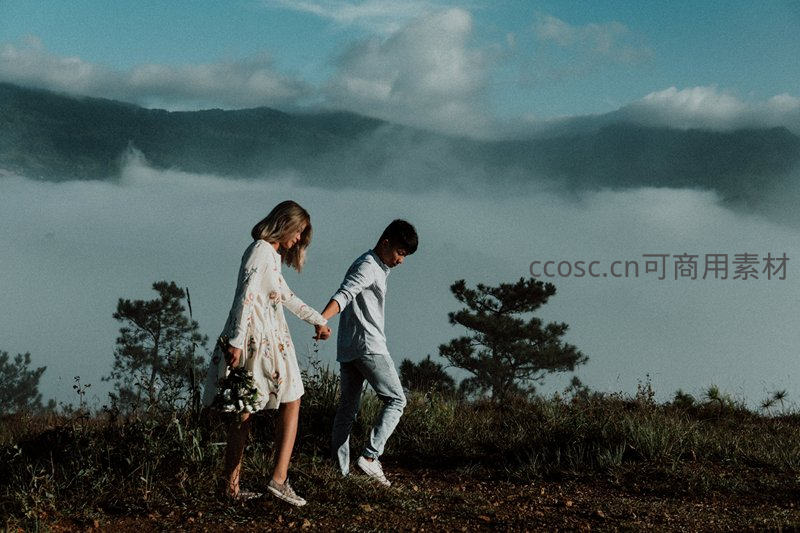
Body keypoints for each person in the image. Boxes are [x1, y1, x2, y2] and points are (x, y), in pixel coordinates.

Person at [202, 200, 332, 506]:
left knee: (248, 409)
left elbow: (285, 295)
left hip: (266, 338)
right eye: (298, 232)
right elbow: (245, 295)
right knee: (285, 400)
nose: (298, 239)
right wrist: (236, 340)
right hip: (257, 339)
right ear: (284, 223)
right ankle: (277, 479)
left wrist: (318, 319)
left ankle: (231, 487)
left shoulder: (269, 254)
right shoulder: (261, 251)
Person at [319, 219, 418, 486]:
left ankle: (340, 474)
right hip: (369, 347)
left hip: (349, 348)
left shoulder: (374, 265)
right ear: (385, 243)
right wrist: (321, 319)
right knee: (397, 400)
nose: (401, 260)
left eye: (405, 256)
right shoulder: (368, 266)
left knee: (347, 410)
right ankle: (371, 457)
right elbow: (344, 294)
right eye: (400, 252)